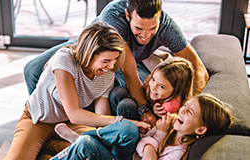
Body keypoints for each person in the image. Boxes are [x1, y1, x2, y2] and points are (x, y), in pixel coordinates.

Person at [23, 0, 209, 126]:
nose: (145, 36)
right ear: (128, 15)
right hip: (91, 49)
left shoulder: (167, 26)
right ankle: (48, 122)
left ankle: (75, 120)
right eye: (138, 29)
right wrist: (144, 110)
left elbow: (197, 66)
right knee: (32, 70)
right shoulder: (114, 15)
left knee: (153, 90)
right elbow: (127, 72)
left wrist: (187, 105)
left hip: (126, 61)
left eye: (152, 29)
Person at [5, 22, 151, 160]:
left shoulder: (106, 74)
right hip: (39, 120)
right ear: (89, 53)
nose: (111, 66)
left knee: (96, 150)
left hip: (69, 125)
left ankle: (50, 145)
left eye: (115, 60)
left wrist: (121, 128)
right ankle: (48, 145)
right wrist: (121, 120)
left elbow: (101, 116)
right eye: (106, 61)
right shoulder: (64, 60)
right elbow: (74, 113)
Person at [52, 93, 232, 160]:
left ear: (200, 129)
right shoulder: (170, 125)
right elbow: (142, 145)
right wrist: (150, 136)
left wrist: (157, 137)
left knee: (85, 143)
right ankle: (90, 135)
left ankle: (82, 139)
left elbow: (147, 154)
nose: (182, 111)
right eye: (185, 106)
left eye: (189, 113)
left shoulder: (178, 153)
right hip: (128, 153)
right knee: (128, 129)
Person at [110, 57, 194, 125]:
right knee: (118, 92)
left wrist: (154, 112)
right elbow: (144, 91)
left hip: (146, 125)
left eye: (161, 86)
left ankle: (125, 132)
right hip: (145, 109)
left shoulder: (169, 107)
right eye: (153, 79)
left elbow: (158, 126)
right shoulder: (155, 88)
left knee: (126, 105)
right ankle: (113, 122)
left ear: (177, 91)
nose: (153, 87)